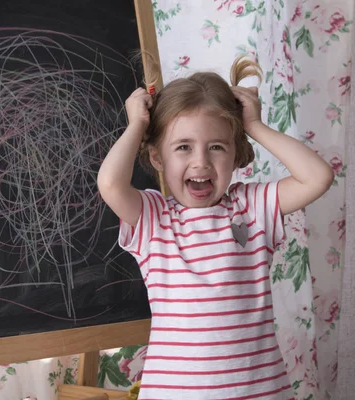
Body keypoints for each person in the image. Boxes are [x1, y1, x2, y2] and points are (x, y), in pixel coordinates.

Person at [97, 56, 334, 399]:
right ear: (157, 158)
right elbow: (110, 184)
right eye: (183, 147)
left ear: (237, 154)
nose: (201, 162)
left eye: (217, 147)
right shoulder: (155, 218)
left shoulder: (252, 209)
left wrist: (254, 126)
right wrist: (136, 125)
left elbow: (318, 177)